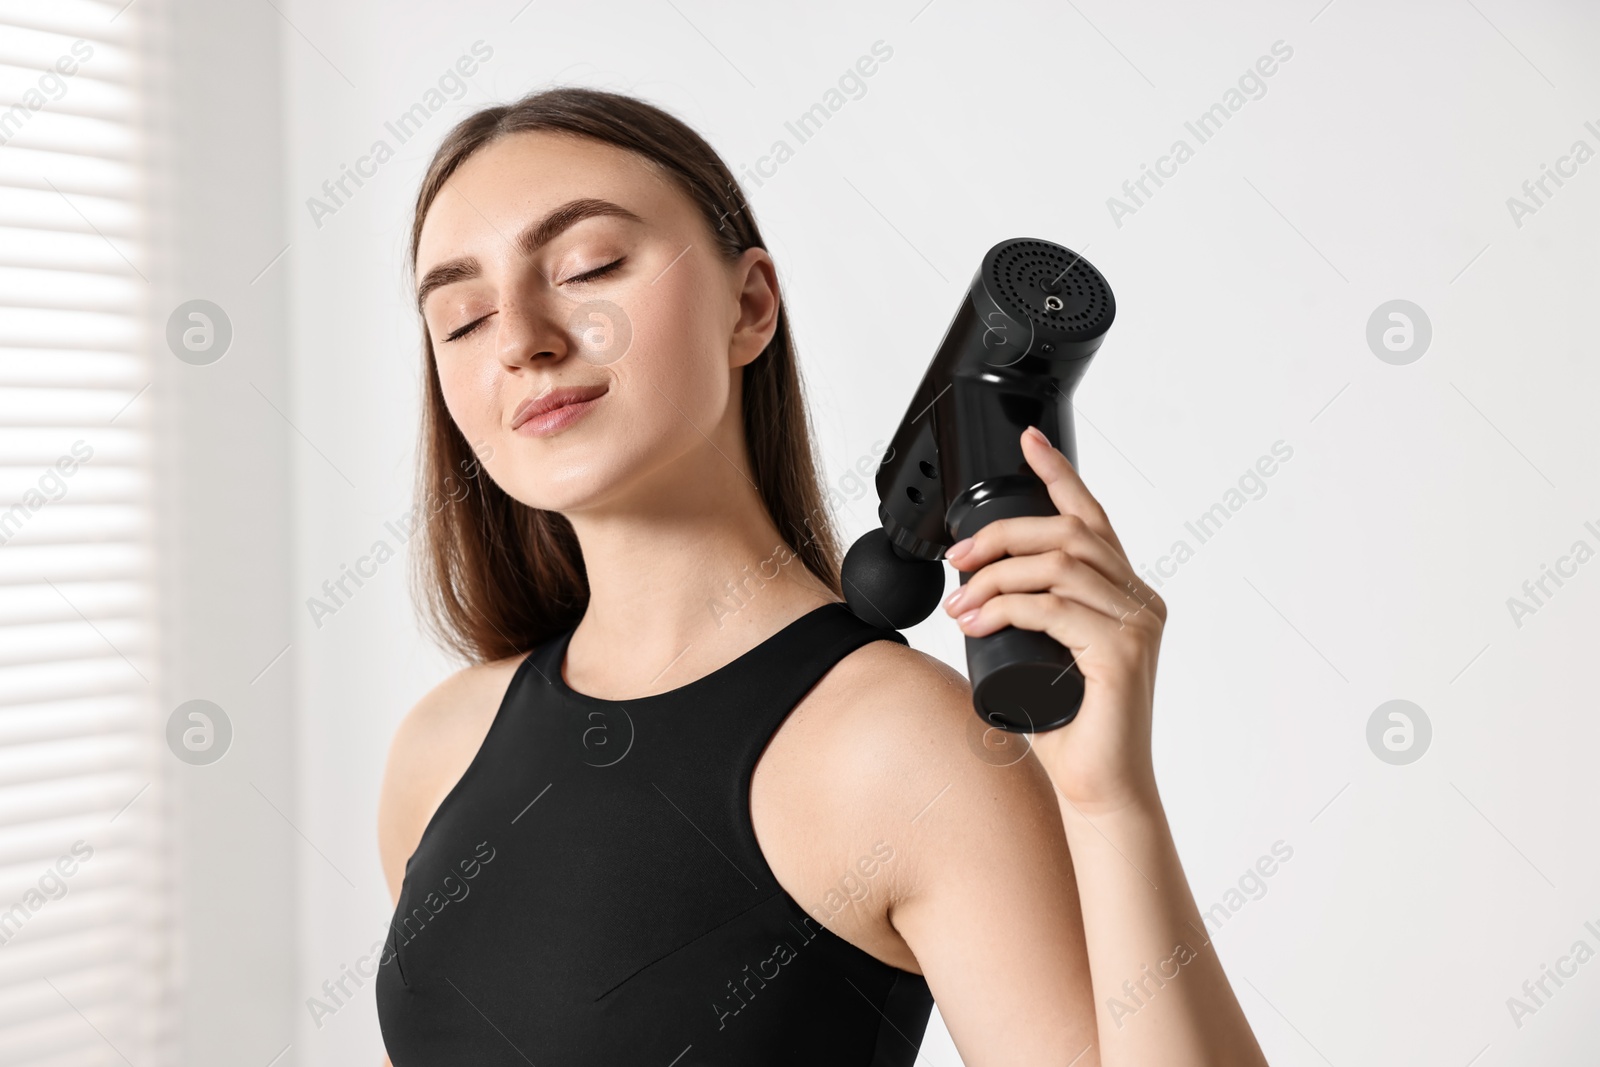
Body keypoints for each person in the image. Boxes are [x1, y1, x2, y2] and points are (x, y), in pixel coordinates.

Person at [373, 86, 1268, 1066]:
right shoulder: (438, 752)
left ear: (748, 305)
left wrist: (1110, 802)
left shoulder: (902, 747)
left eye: (590, 266)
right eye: (460, 319)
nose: (519, 339)